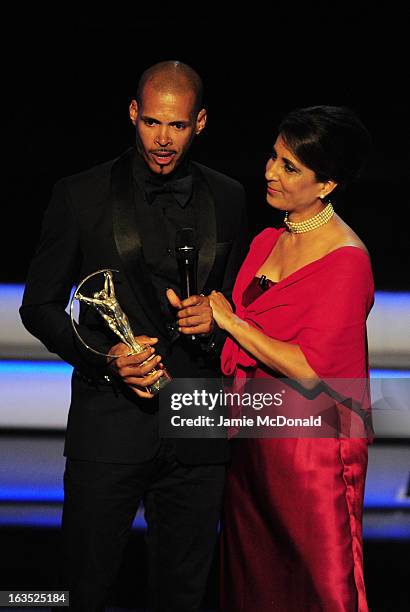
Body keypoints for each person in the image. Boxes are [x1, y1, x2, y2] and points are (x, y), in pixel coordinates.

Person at [20, 60, 247, 611]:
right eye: (151, 123)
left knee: (184, 593)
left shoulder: (231, 196)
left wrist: (217, 321)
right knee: (83, 589)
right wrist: (103, 357)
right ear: (132, 114)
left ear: (201, 123)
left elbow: (242, 308)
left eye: (177, 126)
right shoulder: (80, 193)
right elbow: (39, 306)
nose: (163, 140)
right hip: (110, 424)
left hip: (198, 423)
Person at [209, 106, 374, 611]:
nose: (269, 173)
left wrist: (232, 323)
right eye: (273, 157)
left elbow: (312, 368)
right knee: (255, 582)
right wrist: (205, 317)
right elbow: (237, 329)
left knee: (318, 587)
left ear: (326, 185)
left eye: (289, 167)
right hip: (253, 436)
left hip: (312, 450)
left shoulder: (347, 260)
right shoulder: (265, 241)